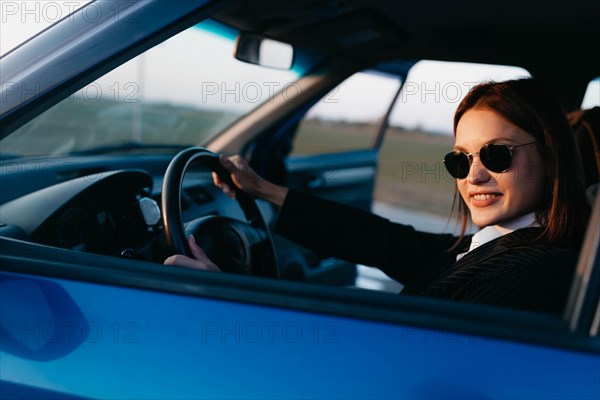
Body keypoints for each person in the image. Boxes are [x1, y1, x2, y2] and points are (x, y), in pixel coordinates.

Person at [165, 78, 590, 314]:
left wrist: (225, 302)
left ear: (552, 160)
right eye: (460, 160)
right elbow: (385, 240)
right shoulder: (500, 242)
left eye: (497, 155)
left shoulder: (535, 272)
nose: (473, 176)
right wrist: (263, 190)